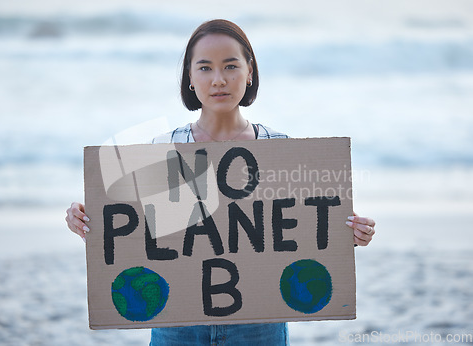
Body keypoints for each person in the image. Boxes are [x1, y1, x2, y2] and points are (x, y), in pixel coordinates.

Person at [65, 19, 376, 346]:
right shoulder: (165, 149)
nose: (218, 80)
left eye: (230, 66)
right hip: (177, 324)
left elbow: (302, 232)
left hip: (260, 324)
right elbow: (138, 236)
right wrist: (87, 222)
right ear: (189, 76)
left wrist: (351, 234)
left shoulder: (280, 150)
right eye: (204, 68)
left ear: (249, 71)